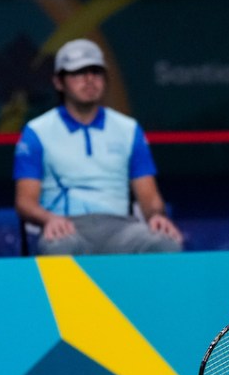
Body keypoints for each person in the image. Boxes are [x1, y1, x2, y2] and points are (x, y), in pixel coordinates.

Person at [13, 38, 184, 254]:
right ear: (58, 82)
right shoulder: (37, 131)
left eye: (96, 72)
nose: (89, 79)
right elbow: (24, 202)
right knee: (59, 247)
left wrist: (157, 216)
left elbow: (149, 196)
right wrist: (50, 219)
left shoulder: (128, 129)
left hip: (121, 228)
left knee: (164, 243)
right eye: (78, 73)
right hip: (66, 227)